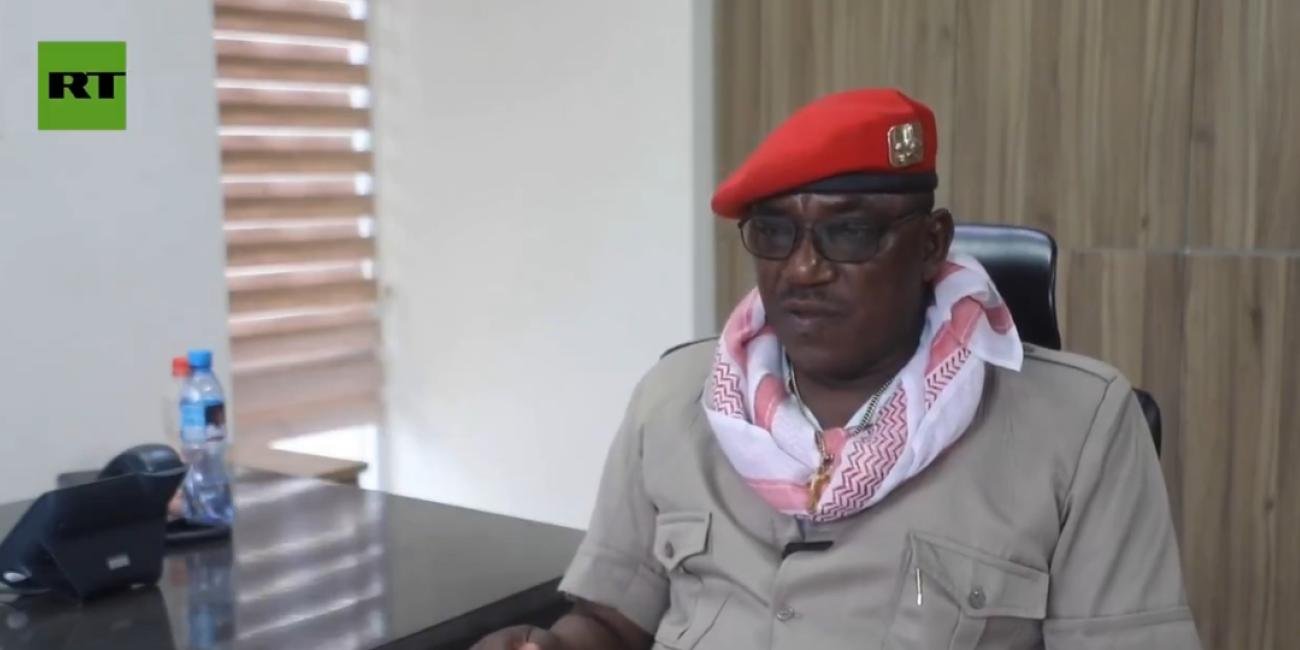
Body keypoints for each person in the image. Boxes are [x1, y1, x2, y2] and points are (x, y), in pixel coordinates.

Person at [472, 88, 1201, 649]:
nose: (804, 269)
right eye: (775, 232)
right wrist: (553, 645)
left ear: (930, 245)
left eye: (849, 232)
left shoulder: (1078, 428)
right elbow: (612, 621)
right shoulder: (675, 399)